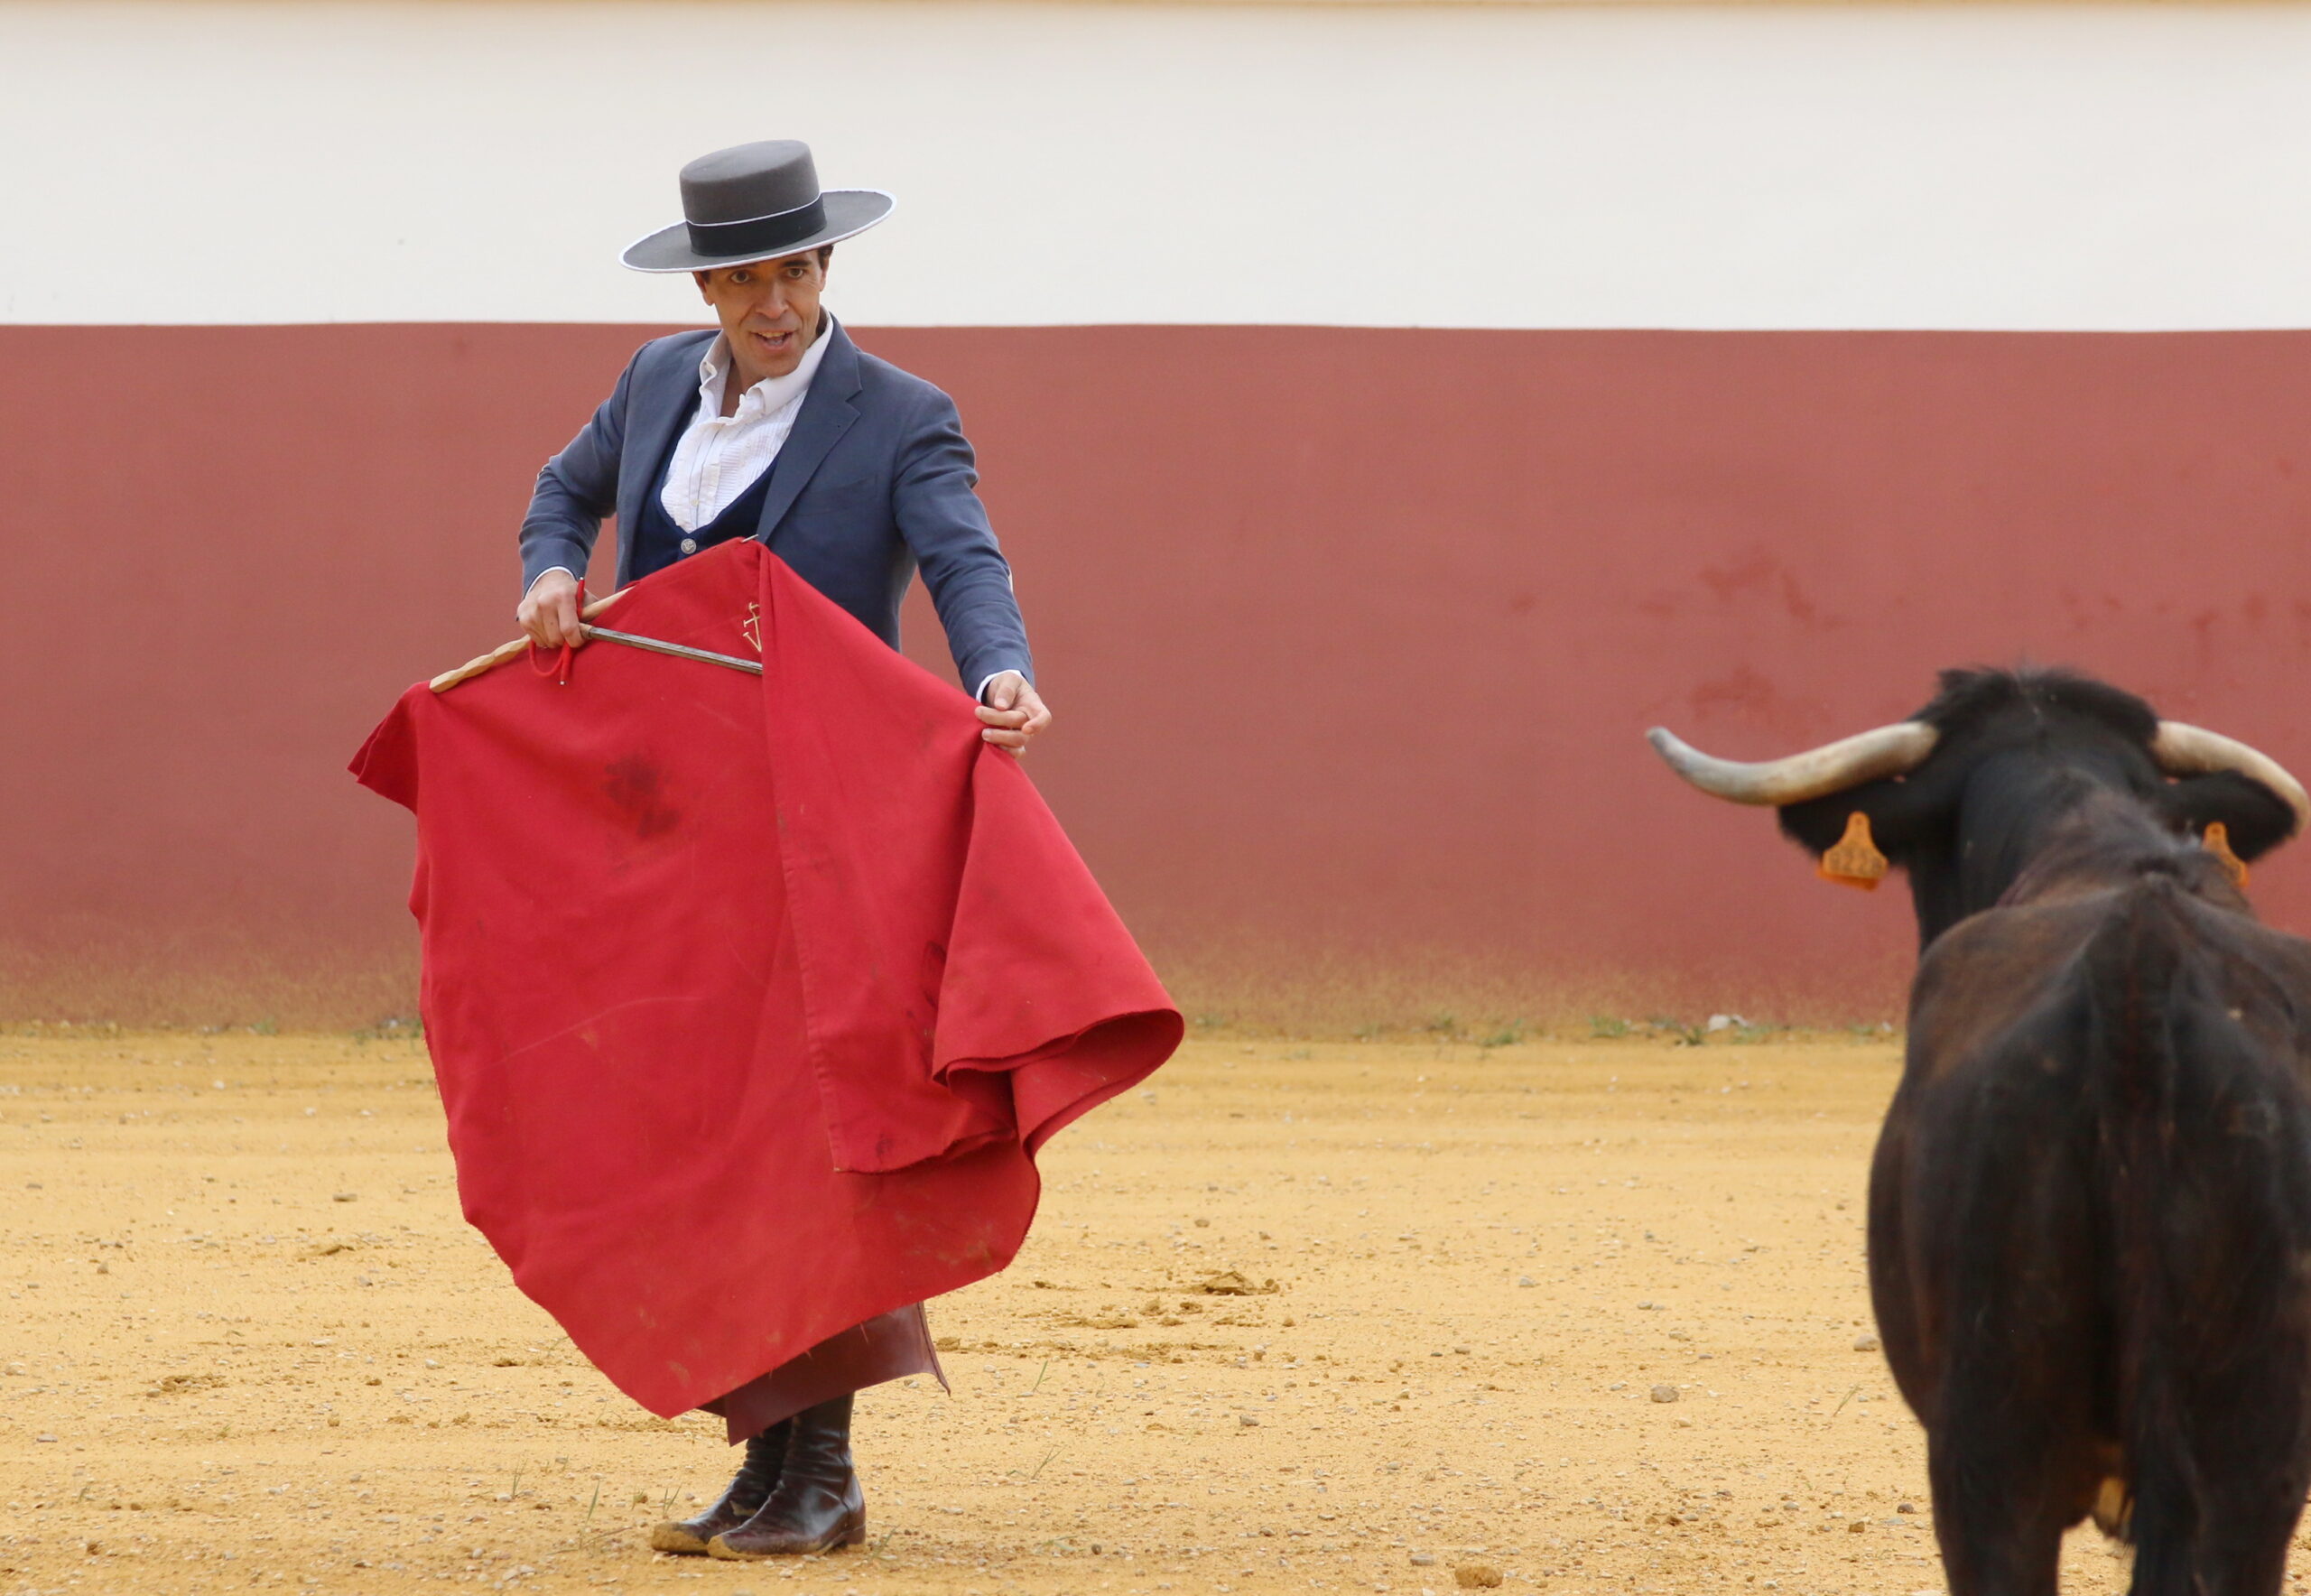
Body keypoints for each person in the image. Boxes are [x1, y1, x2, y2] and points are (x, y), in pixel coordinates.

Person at [515, 138, 1050, 1560]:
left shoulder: (899, 412)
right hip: (676, 828)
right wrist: (555, 575)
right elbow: (560, 498)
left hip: (824, 825)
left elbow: (963, 561)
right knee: (713, 1138)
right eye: (746, 277)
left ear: (829, 267)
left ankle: (828, 1473)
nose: (775, 301)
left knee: (823, 1135)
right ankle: (763, 1463)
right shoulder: (648, 386)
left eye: (797, 270)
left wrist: (997, 669)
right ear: (708, 286)